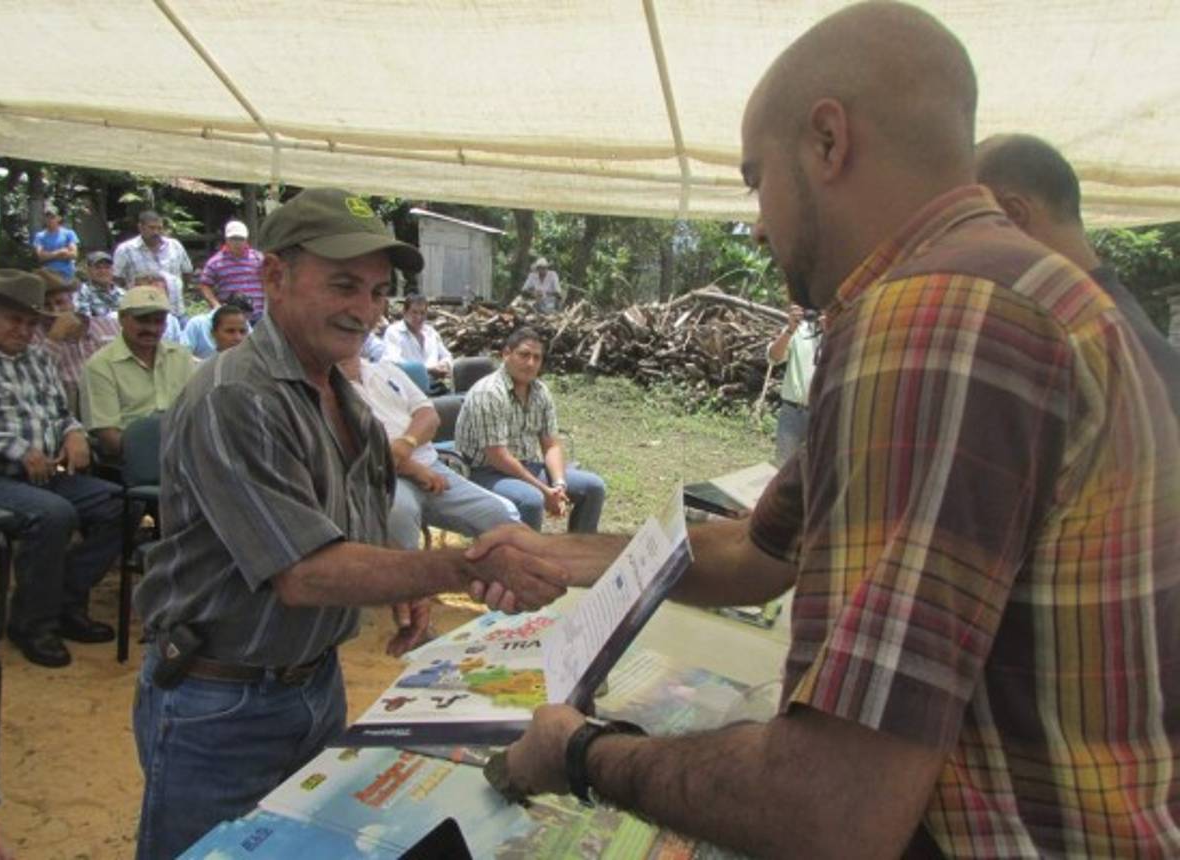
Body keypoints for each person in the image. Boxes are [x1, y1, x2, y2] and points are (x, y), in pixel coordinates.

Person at [468, 4, 1179, 857]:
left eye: (755, 178)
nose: (758, 223)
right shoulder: (1024, 289)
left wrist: (579, 753)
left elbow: (833, 809)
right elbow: (759, 549)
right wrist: (564, 555)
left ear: (829, 141)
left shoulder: (933, 318)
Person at [130, 187, 568, 859]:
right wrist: (462, 565)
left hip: (311, 684)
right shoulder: (236, 398)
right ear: (274, 276)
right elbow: (305, 573)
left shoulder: (341, 396)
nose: (364, 309)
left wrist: (401, 583)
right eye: (342, 284)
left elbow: (353, 525)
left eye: (377, 291)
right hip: (219, 704)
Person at [975, 133, 1180, 418]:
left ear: (1013, 213)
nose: (965, 246)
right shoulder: (1120, 328)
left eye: (971, 222)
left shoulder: (1077, 335)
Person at [0, 270, 121, 668]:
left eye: (31, 323)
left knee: (117, 505)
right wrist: (18, 449)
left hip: (43, 474)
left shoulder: (38, 359)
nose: (25, 330)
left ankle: (65, 602)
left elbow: (60, 412)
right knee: (53, 515)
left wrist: (74, 432)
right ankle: (33, 624)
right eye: (14, 320)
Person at [340, 354, 519, 550]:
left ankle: (501, 567)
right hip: (378, 478)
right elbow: (352, 448)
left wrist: (405, 444)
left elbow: (429, 416)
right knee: (398, 512)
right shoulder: (326, 387)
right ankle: (408, 569)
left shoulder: (387, 370)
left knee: (503, 514)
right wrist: (412, 469)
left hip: (431, 466)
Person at [456, 328, 605, 532]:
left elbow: (551, 444)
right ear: (506, 354)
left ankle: (579, 548)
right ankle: (527, 552)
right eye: (524, 355)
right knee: (531, 499)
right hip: (483, 472)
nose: (530, 363)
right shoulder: (489, 393)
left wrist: (559, 485)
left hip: (526, 467)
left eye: (537, 358)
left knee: (593, 487)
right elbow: (497, 456)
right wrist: (543, 490)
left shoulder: (540, 391)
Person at [81, 286, 196, 459]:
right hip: (134, 458)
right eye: (143, 320)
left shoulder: (181, 356)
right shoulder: (100, 366)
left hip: (186, 451)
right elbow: (108, 437)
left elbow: (197, 412)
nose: (152, 329)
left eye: (158, 321)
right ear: (122, 319)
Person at [36, 270, 121, 414]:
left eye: (60, 302)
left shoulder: (108, 326)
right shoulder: (34, 337)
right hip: (68, 409)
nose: (55, 310)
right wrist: (54, 338)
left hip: (115, 400)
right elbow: (37, 376)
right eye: (46, 305)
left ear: (71, 301)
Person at [765, 303, 821, 465]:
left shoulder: (839, 333)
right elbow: (774, 358)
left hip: (822, 415)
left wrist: (831, 331)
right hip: (792, 412)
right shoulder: (798, 330)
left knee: (817, 471)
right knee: (784, 468)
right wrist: (790, 330)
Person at [112, 210, 193, 319]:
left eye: (159, 228)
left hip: (176, 312)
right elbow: (116, 279)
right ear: (140, 227)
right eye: (152, 228)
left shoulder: (175, 246)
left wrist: (177, 289)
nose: (156, 232)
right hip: (143, 314)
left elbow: (187, 272)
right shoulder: (125, 250)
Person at [381, 292, 452, 390]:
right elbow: (393, 361)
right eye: (414, 312)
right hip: (407, 387)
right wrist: (426, 370)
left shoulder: (431, 332)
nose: (419, 317)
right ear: (405, 312)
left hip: (435, 385)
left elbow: (446, 356)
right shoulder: (394, 332)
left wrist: (444, 364)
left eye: (422, 313)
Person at [197, 220, 266, 321]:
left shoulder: (258, 258)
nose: (237, 243)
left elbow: (270, 281)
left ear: (246, 240)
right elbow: (205, 285)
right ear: (226, 240)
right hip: (231, 317)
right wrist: (216, 305)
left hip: (258, 314)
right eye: (233, 239)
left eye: (241, 239)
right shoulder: (215, 262)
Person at [182, 294, 253, 359]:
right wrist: (205, 365)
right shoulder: (197, 323)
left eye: (242, 332)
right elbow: (183, 354)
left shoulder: (246, 326)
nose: (238, 337)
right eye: (230, 331)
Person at [32, 206, 79, 283]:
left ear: (59, 218)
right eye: (47, 217)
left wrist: (49, 255)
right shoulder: (40, 236)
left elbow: (74, 254)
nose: (50, 220)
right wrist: (59, 252)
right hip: (48, 276)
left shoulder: (69, 234)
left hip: (67, 275)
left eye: (52, 217)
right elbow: (41, 257)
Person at [75, 250, 125, 318]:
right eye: (98, 268)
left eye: (107, 267)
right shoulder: (82, 292)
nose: (103, 271)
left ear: (113, 270)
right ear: (88, 271)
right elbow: (84, 320)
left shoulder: (122, 293)